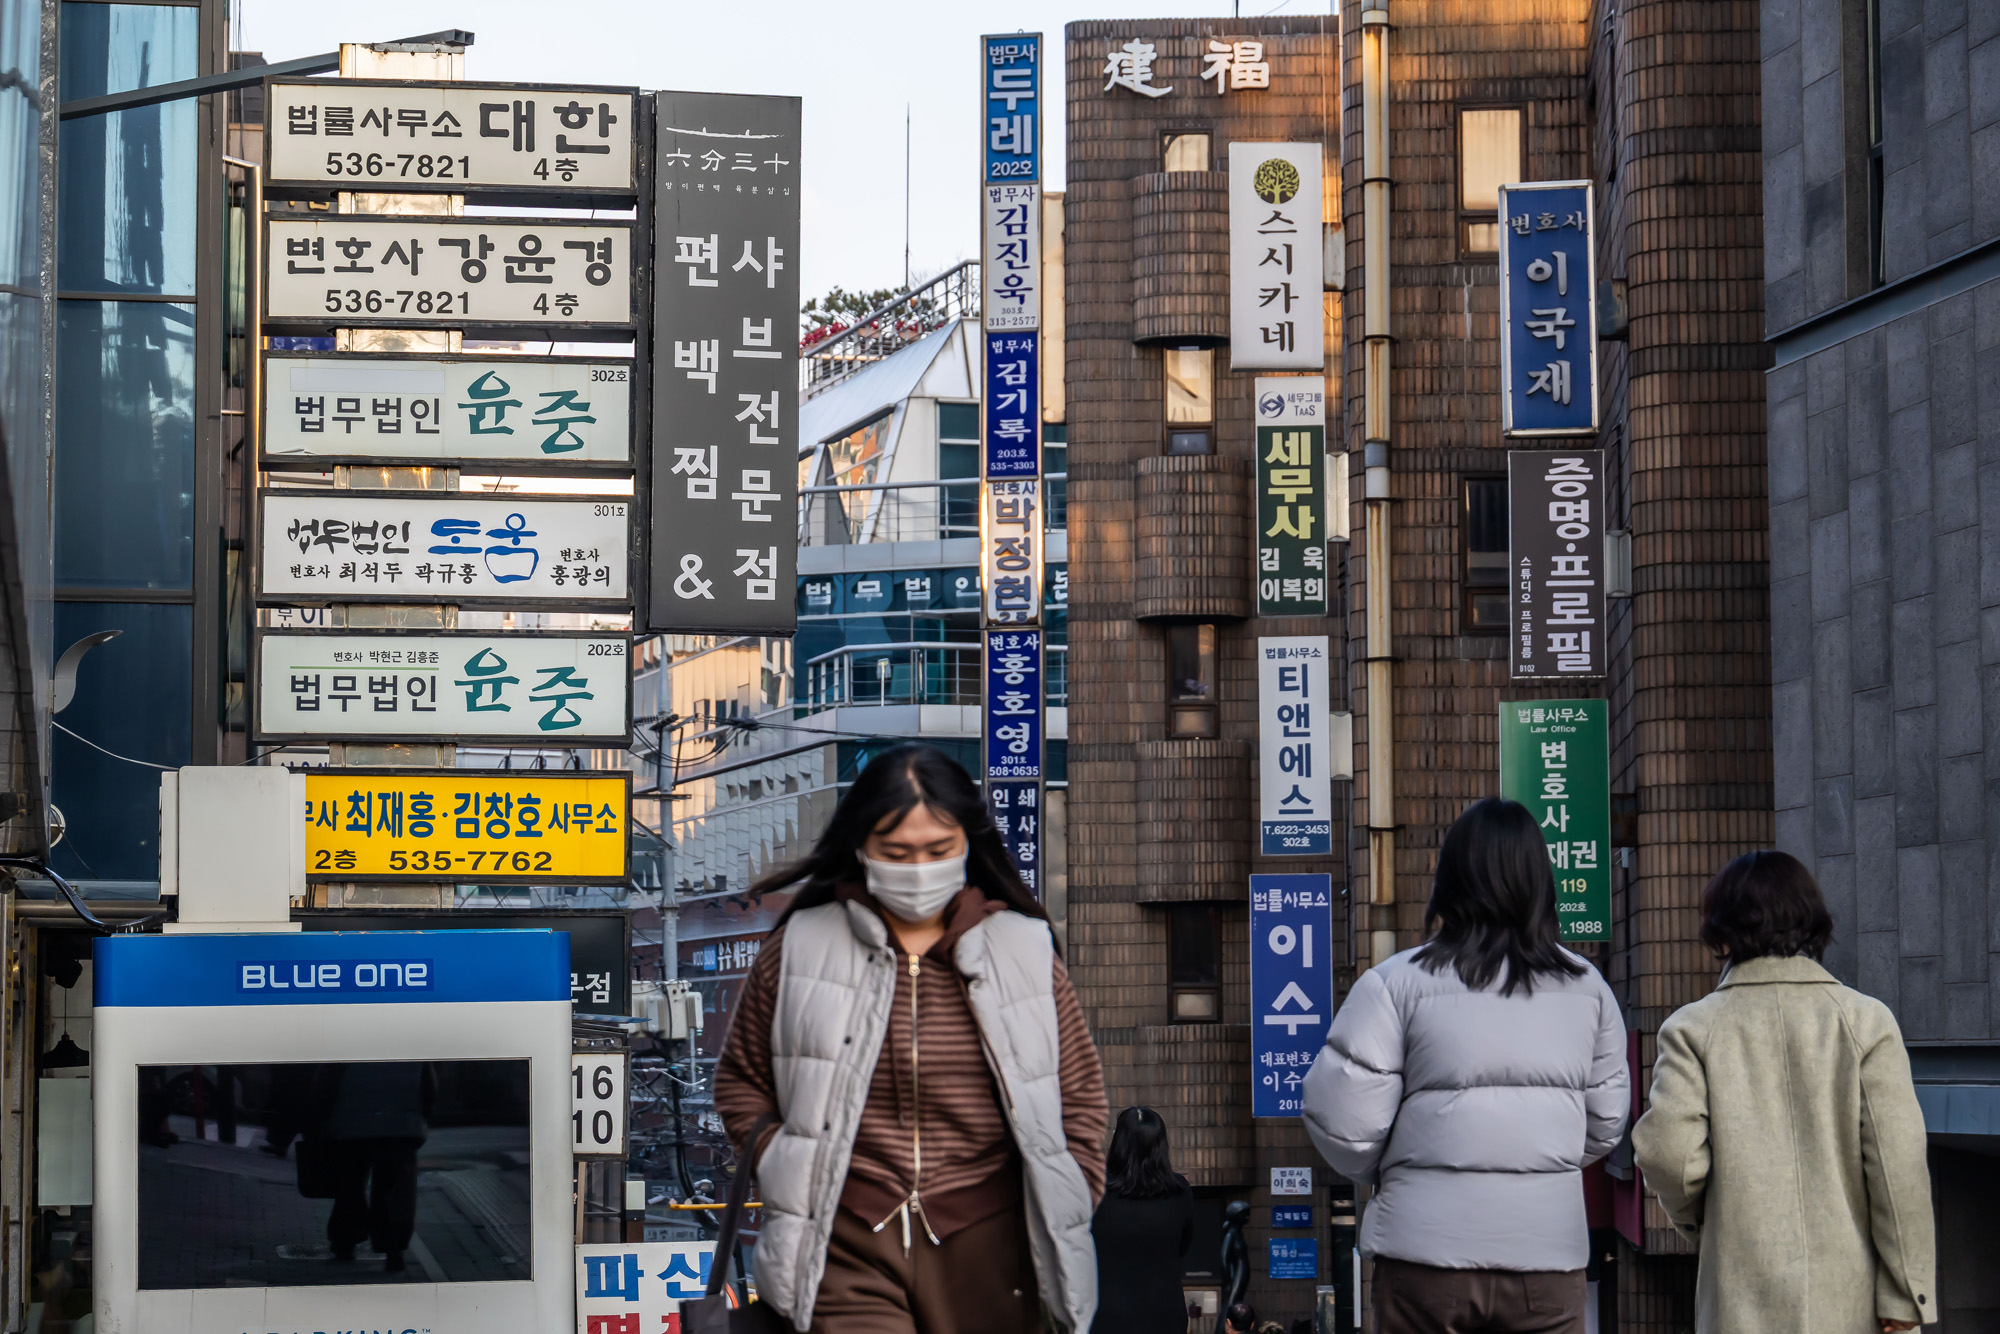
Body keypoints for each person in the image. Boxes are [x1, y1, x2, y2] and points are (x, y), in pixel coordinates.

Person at [714, 744, 1109, 1334]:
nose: (919, 867)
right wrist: (783, 1158)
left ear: (969, 844)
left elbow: (1079, 1095)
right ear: (860, 847)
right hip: (843, 1241)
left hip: (995, 1248)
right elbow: (741, 1078)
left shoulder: (1024, 949)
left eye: (938, 850)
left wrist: (1074, 1182)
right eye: (897, 852)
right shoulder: (800, 944)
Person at [1301, 797, 1628, 1333]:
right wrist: (1542, 1160)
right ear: (1540, 883)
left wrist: (1398, 1170)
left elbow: (1344, 1124)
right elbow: (1606, 1121)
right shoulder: (1587, 989)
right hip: (1545, 1256)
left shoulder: (1394, 984)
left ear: (1449, 880)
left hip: (1422, 1259)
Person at [1632, 851, 1934, 1334]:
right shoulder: (1866, 1021)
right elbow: (1899, 1168)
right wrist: (1905, 1295)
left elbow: (1670, 1154)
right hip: (1849, 1304)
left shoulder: (1691, 1029)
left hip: (1737, 1300)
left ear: (1721, 932)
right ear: (1812, 923)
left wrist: (1704, 1221)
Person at [1090, 1107, 1192, 1334]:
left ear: (1118, 1143)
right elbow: (1183, 1246)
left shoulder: (1093, 1191)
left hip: (1106, 1316)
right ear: (1161, 1145)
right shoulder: (1180, 1191)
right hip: (1165, 1316)